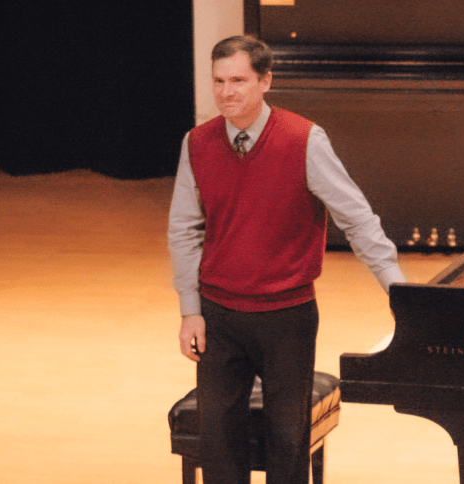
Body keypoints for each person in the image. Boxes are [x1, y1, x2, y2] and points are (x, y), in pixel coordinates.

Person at [168, 35, 406, 484]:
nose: (226, 91)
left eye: (238, 80)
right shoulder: (197, 143)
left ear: (265, 81)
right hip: (219, 315)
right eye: (218, 81)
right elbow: (183, 230)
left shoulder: (304, 140)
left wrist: (400, 293)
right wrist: (189, 310)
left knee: (287, 442)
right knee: (217, 442)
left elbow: (357, 220)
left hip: (287, 316)